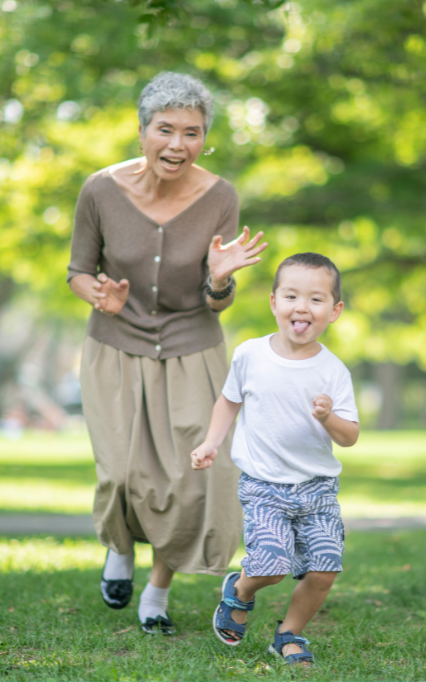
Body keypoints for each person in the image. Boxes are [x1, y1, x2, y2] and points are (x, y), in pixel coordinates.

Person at [67, 72, 267, 635]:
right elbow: (79, 272)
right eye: (166, 129)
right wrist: (99, 297)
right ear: (141, 132)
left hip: (192, 349)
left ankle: (157, 590)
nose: (178, 144)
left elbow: (216, 299)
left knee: (192, 477)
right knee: (122, 473)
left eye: (192, 132)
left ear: (205, 139)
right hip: (115, 346)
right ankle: (121, 550)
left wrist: (221, 281)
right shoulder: (100, 191)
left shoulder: (220, 197)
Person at [190, 252, 359, 665]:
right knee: (271, 565)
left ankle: (289, 635)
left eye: (316, 299)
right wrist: (211, 442)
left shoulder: (333, 371)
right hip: (264, 485)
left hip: (317, 489)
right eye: (291, 296)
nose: (302, 307)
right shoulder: (251, 355)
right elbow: (229, 402)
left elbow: (350, 436)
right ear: (273, 303)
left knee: (324, 570)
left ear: (334, 311)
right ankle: (242, 590)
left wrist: (327, 416)